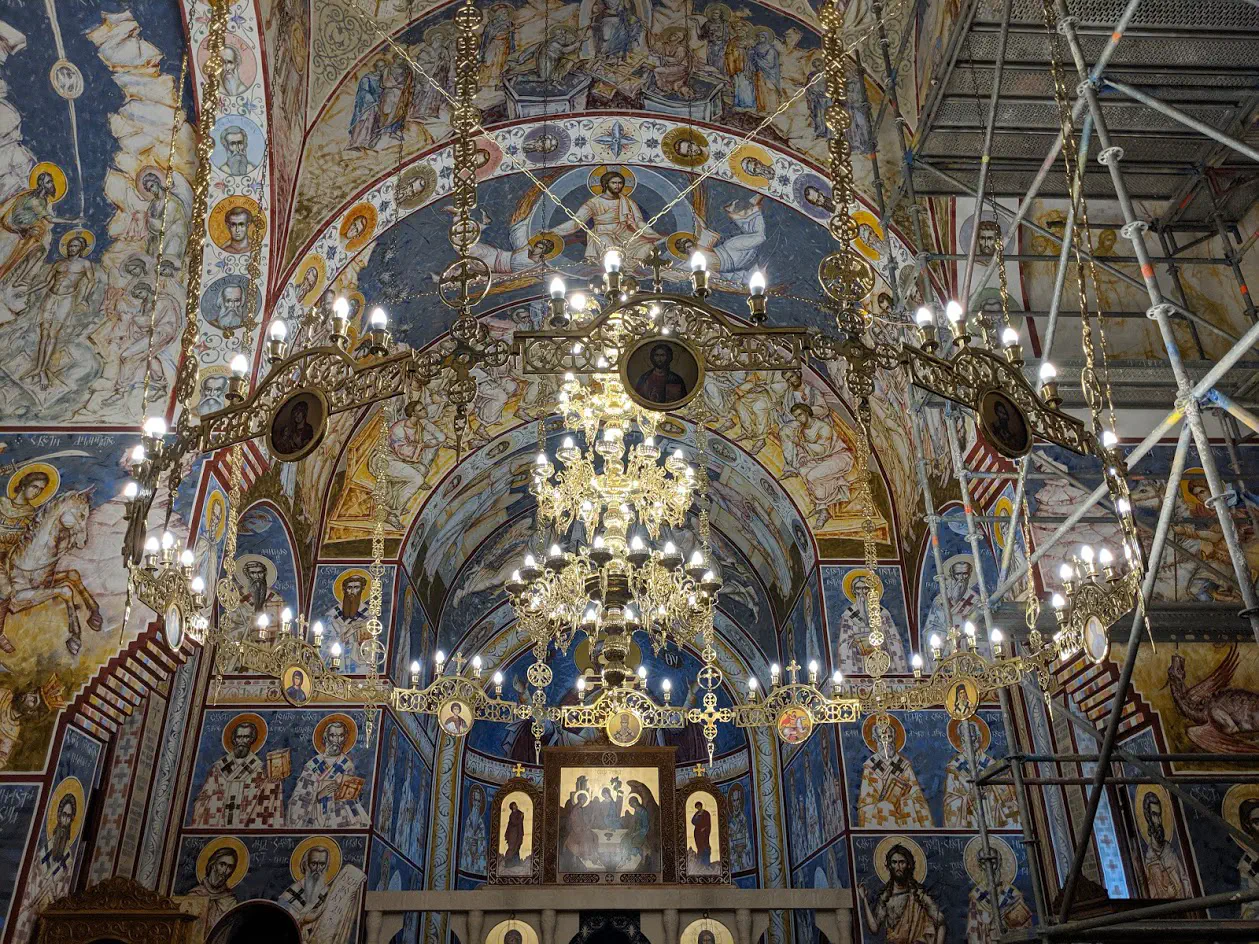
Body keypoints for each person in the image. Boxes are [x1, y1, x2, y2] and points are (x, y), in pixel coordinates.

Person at [24, 233, 97, 389]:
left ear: (82, 248)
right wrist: (29, 291)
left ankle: (43, 370)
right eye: (70, 245)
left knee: (53, 334)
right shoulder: (59, 263)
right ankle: (37, 368)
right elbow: (46, 281)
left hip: (66, 299)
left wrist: (84, 298)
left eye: (75, 246)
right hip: (50, 297)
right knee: (44, 333)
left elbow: (91, 281)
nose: (72, 248)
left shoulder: (84, 264)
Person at [190, 719, 284, 828]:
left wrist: (274, 783)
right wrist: (218, 802)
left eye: (246, 737)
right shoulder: (219, 767)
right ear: (234, 739)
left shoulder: (258, 767)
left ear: (252, 739)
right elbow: (204, 797)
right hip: (219, 821)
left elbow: (264, 792)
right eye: (239, 737)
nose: (242, 741)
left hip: (247, 820)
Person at [552, 169, 660, 264]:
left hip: (623, 232)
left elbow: (638, 221)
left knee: (649, 247)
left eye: (620, 183)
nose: (617, 186)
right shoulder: (593, 203)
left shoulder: (627, 201)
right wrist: (553, 232)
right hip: (602, 233)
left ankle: (628, 271)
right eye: (614, 183)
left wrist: (653, 234)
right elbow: (576, 222)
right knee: (610, 247)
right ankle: (615, 271)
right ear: (606, 184)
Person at [779, 402, 855, 528]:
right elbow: (803, 452)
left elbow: (823, 450)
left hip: (838, 457)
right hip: (819, 459)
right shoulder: (802, 430)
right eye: (796, 416)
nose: (798, 419)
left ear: (807, 412)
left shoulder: (823, 427)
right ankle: (822, 508)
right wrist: (803, 457)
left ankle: (823, 510)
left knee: (813, 476)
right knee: (802, 470)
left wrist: (801, 443)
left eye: (800, 415)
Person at [0, 170, 77, 289]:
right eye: (49, 182)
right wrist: (73, 221)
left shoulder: (40, 199)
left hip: (23, 233)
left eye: (51, 181)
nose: (52, 184)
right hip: (13, 233)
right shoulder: (35, 200)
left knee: (39, 250)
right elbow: (50, 219)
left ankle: (19, 279)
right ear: (42, 185)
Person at [288, 718, 369, 828]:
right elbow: (300, 798)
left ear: (345, 739)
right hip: (313, 817)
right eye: (333, 735)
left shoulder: (346, 765)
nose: (336, 740)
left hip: (336, 817)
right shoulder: (313, 765)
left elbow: (349, 798)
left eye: (341, 736)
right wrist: (320, 794)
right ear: (325, 737)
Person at [277, 843, 365, 944]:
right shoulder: (290, 894)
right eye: (314, 864)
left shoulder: (331, 895)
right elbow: (282, 923)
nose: (318, 869)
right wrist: (305, 917)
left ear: (327, 866)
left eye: (322, 864)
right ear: (305, 864)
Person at [859, 843, 945, 944]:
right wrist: (864, 898)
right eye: (894, 862)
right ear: (889, 866)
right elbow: (874, 928)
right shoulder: (886, 897)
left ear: (908, 865)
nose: (898, 867)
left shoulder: (919, 895)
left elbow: (941, 923)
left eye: (902, 862)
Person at [857, 720, 933, 828]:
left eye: (889, 737)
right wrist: (887, 806)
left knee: (910, 805)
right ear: (875, 739)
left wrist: (904, 803)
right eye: (882, 738)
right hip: (882, 817)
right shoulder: (870, 767)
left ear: (894, 737)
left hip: (904, 817)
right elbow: (865, 806)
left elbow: (918, 799)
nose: (886, 742)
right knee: (886, 806)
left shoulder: (904, 765)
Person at [836, 571, 907, 674]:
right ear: (853, 591)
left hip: (882, 660)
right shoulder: (848, 615)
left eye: (865, 588)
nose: (862, 592)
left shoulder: (883, 613)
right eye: (858, 588)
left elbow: (894, 639)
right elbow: (844, 643)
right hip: (859, 662)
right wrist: (857, 644)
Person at [1140, 789, 1191, 899]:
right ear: (1148, 818)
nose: (1158, 821)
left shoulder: (1170, 852)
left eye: (1159, 815)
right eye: (1154, 815)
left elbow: (1185, 880)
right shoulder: (1148, 860)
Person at [186, 845, 241, 935]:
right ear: (213, 864)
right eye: (222, 864)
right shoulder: (194, 895)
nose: (224, 871)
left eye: (230, 867)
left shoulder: (231, 902)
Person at [460, 786, 488, 873]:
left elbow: (482, 844)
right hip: (468, 856)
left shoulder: (481, 824)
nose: (476, 804)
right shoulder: (468, 821)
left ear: (481, 803)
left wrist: (477, 850)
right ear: (472, 801)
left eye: (479, 801)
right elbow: (466, 840)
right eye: (475, 800)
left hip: (477, 859)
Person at [504, 800, 526, 868]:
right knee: (512, 848)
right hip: (513, 834)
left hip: (518, 833)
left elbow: (521, 816)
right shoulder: (512, 815)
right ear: (512, 807)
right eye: (514, 805)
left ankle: (516, 862)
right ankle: (508, 862)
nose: (516, 806)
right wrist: (521, 817)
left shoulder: (517, 813)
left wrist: (521, 816)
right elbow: (514, 822)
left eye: (516, 805)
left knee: (517, 847)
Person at [691, 799, 713, 868]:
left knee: (705, 846)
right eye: (696, 807)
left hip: (704, 833)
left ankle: (706, 863)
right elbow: (693, 821)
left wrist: (704, 828)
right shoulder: (697, 814)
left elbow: (708, 822)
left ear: (701, 806)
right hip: (697, 833)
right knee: (699, 847)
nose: (697, 808)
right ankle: (700, 864)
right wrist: (697, 817)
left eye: (698, 806)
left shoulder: (706, 813)